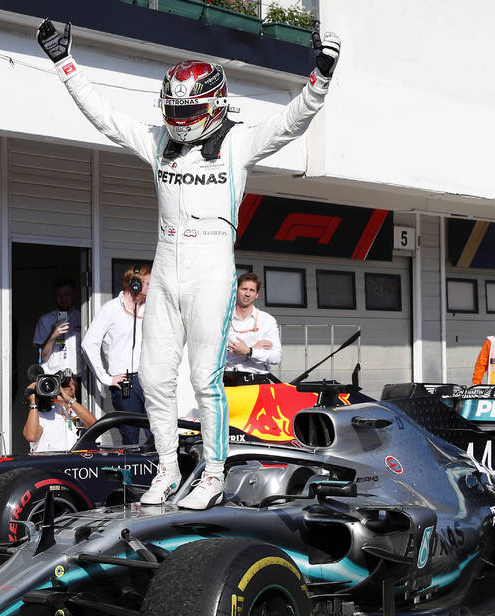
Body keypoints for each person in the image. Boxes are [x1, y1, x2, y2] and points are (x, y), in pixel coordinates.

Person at [36, 19, 341, 509]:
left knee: (204, 378)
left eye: (190, 109)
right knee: (153, 378)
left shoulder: (239, 141)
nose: (181, 118)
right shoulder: (157, 140)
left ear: (216, 104)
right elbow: (106, 118)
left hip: (210, 267)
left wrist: (320, 76)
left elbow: (292, 120)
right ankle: (167, 470)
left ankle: (215, 473)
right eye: (174, 109)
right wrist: (64, 62)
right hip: (165, 265)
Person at [82, 264, 152, 446]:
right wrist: (106, 378)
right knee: (130, 437)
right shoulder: (111, 309)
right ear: (134, 284)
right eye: (148, 284)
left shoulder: (152, 309)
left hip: (151, 379)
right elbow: (89, 343)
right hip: (125, 382)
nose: (152, 288)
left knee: (158, 433)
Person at [224, 272, 281, 385]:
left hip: (256, 382)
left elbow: (276, 357)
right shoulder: (223, 319)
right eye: (244, 289)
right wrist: (251, 349)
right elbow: (217, 355)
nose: (247, 294)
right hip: (226, 380)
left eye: (252, 290)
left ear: (257, 295)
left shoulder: (267, 320)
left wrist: (250, 351)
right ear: (236, 290)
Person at [22, 375, 96, 452]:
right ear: (54, 386)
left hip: (73, 462)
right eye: (63, 384)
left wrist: (68, 399)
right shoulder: (40, 413)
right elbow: (31, 436)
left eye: (71, 383)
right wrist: (33, 401)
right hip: (49, 462)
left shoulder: (77, 412)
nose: (68, 385)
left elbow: (94, 425)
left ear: (75, 388)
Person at [33, 276, 83, 378]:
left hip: (77, 377)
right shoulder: (45, 320)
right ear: (54, 296)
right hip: (52, 376)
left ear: (74, 294)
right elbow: (40, 358)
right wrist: (52, 336)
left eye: (67, 295)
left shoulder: (83, 318)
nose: (63, 299)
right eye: (59, 295)